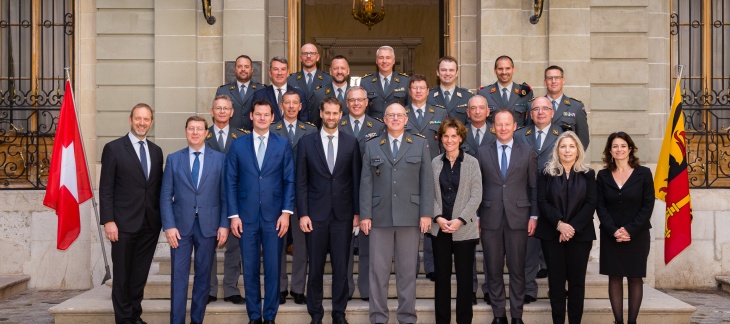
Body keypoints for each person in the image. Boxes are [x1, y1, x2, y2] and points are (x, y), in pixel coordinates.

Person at [360, 103, 434, 324]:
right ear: (384, 119)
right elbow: (366, 183)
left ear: (406, 119)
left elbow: (426, 181)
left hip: (410, 216)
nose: (394, 118)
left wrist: (426, 213)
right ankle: (378, 317)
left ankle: (407, 316)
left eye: (399, 115)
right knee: (378, 272)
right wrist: (365, 215)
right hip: (379, 217)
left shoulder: (419, 144)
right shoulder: (372, 145)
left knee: (408, 272)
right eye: (390, 115)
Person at [226, 99, 296, 324]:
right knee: (250, 268)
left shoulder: (282, 145)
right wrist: (234, 215)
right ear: (252, 116)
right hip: (245, 218)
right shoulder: (238, 145)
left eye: (267, 114)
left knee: (274, 268)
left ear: (273, 117)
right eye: (258, 114)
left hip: (275, 217)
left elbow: (289, 180)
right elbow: (231, 182)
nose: (262, 118)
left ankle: (270, 315)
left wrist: (286, 213)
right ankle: (254, 315)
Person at [296, 97, 362, 324]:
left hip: (343, 216)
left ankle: (338, 313)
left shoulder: (351, 142)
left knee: (341, 268)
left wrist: (356, 213)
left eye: (336, 113)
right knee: (314, 268)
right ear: (321, 114)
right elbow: (301, 182)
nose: (331, 117)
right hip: (315, 216)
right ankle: (315, 313)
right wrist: (303, 213)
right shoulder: (306, 143)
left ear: (341, 115)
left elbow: (355, 180)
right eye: (328, 113)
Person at [160, 115, 230, 324]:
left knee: (203, 277)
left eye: (199, 129)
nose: (195, 132)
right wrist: (169, 226)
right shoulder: (174, 159)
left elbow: (225, 195)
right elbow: (165, 195)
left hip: (209, 227)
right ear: (185, 131)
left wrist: (224, 225)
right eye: (191, 128)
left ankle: (197, 320)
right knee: (178, 277)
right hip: (180, 228)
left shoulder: (219, 159)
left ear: (206, 133)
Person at [100, 103, 164, 324]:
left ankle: (135, 316)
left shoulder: (156, 152)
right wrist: (108, 221)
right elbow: (106, 188)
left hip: (149, 225)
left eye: (146, 119)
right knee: (123, 276)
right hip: (122, 225)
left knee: (139, 275)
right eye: (138, 118)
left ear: (151, 122)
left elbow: (156, 188)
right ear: (130, 119)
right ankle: (124, 319)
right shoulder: (114, 148)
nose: (142, 123)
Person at [476, 109, 538, 324]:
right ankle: (499, 314)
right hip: (490, 217)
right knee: (493, 268)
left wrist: (534, 215)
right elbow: (478, 186)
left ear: (515, 126)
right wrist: (476, 217)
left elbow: (533, 187)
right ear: (493, 127)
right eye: (499, 124)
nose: (503, 128)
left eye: (507, 124)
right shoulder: (482, 152)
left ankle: (517, 315)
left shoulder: (527, 151)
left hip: (519, 218)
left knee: (517, 268)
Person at [535, 131, 596, 324]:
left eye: (571, 146)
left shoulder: (588, 174)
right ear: (557, 150)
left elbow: (591, 203)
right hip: (552, 235)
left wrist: (572, 227)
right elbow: (542, 202)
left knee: (577, 283)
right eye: (563, 146)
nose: (567, 150)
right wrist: (560, 224)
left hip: (580, 236)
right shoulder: (547, 172)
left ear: (578, 149)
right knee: (556, 282)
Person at [596, 132, 655, 324]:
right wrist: (613, 230)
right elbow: (600, 206)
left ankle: (632, 322)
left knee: (635, 277)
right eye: (615, 146)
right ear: (610, 151)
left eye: (623, 146)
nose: (619, 149)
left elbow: (648, 205)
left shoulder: (643, 173)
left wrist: (630, 230)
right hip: (610, 235)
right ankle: (618, 321)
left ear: (630, 149)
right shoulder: (603, 175)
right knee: (614, 277)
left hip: (637, 235)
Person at [430, 118, 482, 324]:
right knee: (441, 280)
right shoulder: (434, 163)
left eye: (454, 136)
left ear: (460, 138)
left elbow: (476, 195)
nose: (449, 140)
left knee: (465, 280)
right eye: (445, 136)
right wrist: (439, 217)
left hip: (464, 229)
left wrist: (460, 220)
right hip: (440, 228)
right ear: (440, 138)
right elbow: (429, 194)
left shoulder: (472, 163)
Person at [269, 90, 317, 305]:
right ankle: (279, 287)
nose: (290, 106)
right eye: (286, 103)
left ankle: (298, 288)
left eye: (294, 103)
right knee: (277, 243)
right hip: (276, 193)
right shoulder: (271, 130)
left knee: (301, 244)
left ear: (300, 107)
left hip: (303, 193)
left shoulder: (311, 131)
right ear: (281, 106)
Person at [514, 96, 564, 303]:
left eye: (545, 109)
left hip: (556, 198)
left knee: (557, 250)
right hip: (527, 197)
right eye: (536, 109)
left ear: (552, 113)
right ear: (530, 113)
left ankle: (558, 289)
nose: (541, 112)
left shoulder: (563, 135)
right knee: (529, 248)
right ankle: (528, 289)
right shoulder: (519, 135)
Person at [339, 85, 384, 302]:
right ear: (346, 104)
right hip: (342, 193)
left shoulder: (378, 126)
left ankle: (366, 289)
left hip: (370, 192)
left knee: (368, 245)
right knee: (343, 247)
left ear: (367, 102)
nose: (356, 103)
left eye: (360, 100)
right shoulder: (336, 125)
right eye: (352, 100)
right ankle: (345, 288)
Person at [205, 95, 248, 305]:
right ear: (212, 112)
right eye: (218, 108)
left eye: (226, 108)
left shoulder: (241, 137)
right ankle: (209, 288)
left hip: (235, 201)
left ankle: (231, 288)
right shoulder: (201, 136)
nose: (222, 112)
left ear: (232, 112)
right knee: (208, 246)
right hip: (208, 200)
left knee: (234, 247)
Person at [405, 74, 445, 280]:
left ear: (428, 91)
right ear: (409, 91)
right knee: (410, 222)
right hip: (407, 173)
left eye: (422, 88)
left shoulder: (440, 113)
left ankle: (431, 266)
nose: (418, 91)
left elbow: (446, 143)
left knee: (431, 218)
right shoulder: (400, 114)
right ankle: (409, 266)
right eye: (414, 88)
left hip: (434, 172)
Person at [461, 94, 495, 305]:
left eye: (481, 108)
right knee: (468, 248)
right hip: (465, 198)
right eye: (473, 108)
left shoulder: (497, 131)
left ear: (488, 111)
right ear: (467, 112)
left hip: (492, 197)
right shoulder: (460, 132)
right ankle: (470, 289)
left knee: (491, 250)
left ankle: (491, 289)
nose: (477, 111)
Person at [476, 55, 534, 127]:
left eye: (507, 68)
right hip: (492, 137)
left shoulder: (525, 93)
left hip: (518, 137)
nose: (504, 72)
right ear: (495, 70)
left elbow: (530, 122)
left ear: (513, 69)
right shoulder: (484, 93)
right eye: (500, 69)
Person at [544, 65, 589, 149]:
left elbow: (583, 139)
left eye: (557, 78)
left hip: (566, 159)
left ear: (563, 80)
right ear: (545, 82)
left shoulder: (576, 107)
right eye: (550, 78)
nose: (553, 81)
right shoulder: (534, 106)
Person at [252, 56, 309, 123]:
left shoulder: (299, 94)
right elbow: (255, 121)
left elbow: (303, 122)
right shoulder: (259, 95)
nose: (279, 73)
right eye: (276, 69)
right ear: (270, 73)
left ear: (288, 73)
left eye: (283, 69)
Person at [360, 46, 410, 120]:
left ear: (393, 61)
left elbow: (409, 107)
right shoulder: (366, 81)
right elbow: (363, 109)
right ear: (376, 61)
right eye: (381, 58)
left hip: (396, 126)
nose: (384, 61)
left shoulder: (405, 81)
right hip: (373, 128)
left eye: (388, 58)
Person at [288, 43, 333, 126]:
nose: (308, 56)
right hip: (298, 128)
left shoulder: (328, 80)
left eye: (312, 53)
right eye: (305, 53)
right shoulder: (291, 80)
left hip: (320, 128)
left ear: (318, 57)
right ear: (300, 57)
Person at [215, 54, 264, 131]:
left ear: (252, 70)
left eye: (246, 67)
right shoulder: (223, 91)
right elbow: (216, 115)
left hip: (253, 136)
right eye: (239, 66)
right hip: (231, 137)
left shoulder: (262, 90)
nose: (243, 69)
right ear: (235, 69)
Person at [427, 56, 474, 124]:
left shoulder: (467, 96)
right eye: (443, 70)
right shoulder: (428, 96)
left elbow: (472, 124)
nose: (447, 73)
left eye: (451, 70)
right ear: (437, 72)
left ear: (456, 73)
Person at [311, 55, 352, 123]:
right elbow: (314, 125)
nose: (339, 71)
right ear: (330, 71)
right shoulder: (319, 94)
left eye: (343, 68)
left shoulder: (355, 95)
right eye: (336, 68)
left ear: (348, 71)